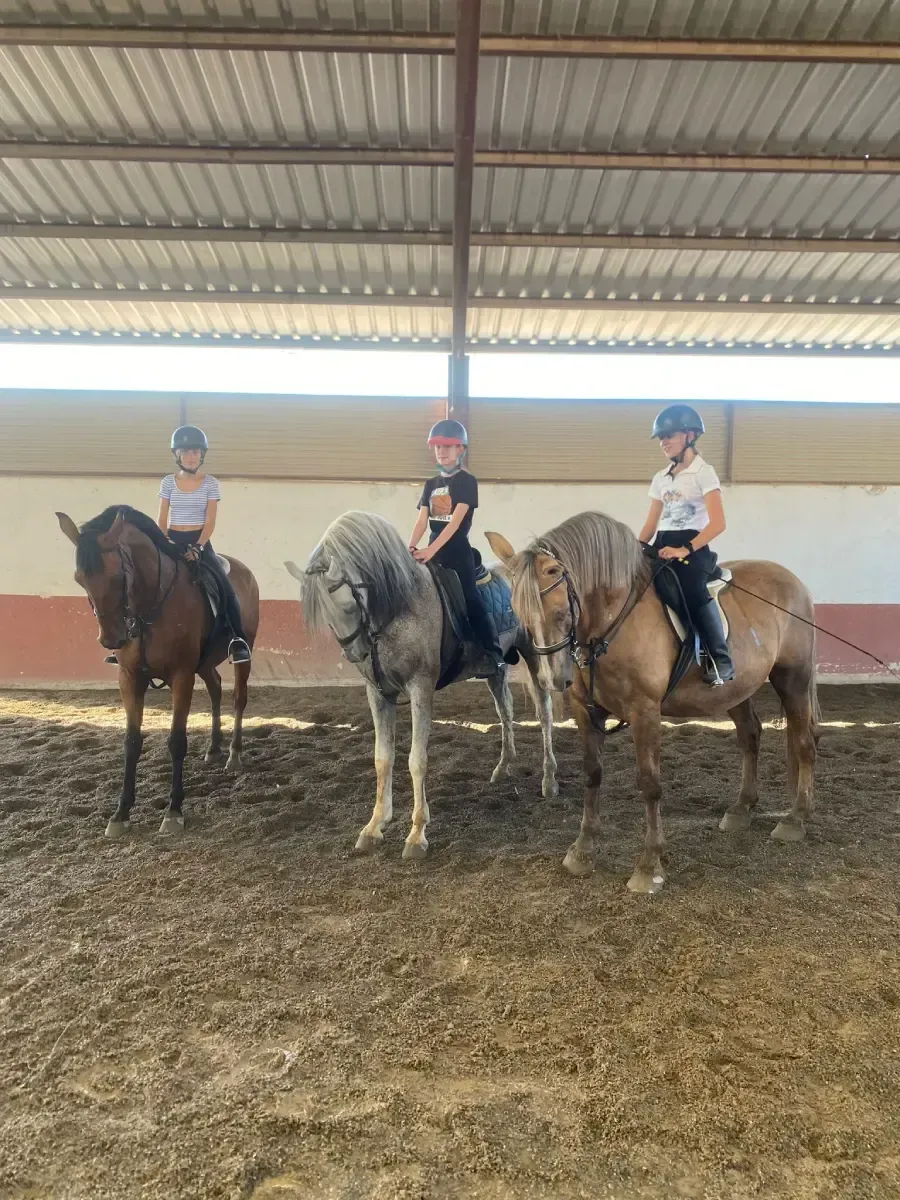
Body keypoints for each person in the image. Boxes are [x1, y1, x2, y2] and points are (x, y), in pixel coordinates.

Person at [103, 425, 251, 667]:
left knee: (223, 585)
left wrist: (199, 547)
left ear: (201, 455)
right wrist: (165, 542)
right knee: (136, 580)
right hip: (170, 540)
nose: (190, 456)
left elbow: (210, 521)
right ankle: (125, 641)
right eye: (185, 452)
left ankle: (237, 640)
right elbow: (162, 518)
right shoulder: (168, 483)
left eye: (194, 451)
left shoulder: (211, 483)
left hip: (199, 542)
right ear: (177, 455)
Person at [637, 404, 735, 686]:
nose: (663, 442)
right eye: (660, 438)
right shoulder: (661, 478)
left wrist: (685, 549)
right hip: (662, 545)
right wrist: (634, 548)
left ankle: (721, 659)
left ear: (690, 435)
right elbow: (650, 524)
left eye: (669, 435)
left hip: (693, 548)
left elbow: (718, 524)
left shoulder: (704, 473)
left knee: (692, 590)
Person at [408, 418, 504, 674]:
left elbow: (454, 523)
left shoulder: (466, 482)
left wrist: (431, 550)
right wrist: (411, 545)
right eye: (438, 447)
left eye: (448, 447)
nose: (442, 451)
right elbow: (422, 520)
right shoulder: (431, 485)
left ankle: (491, 652)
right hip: (432, 551)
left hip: (457, 551)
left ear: (460, 449)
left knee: (470, 598)